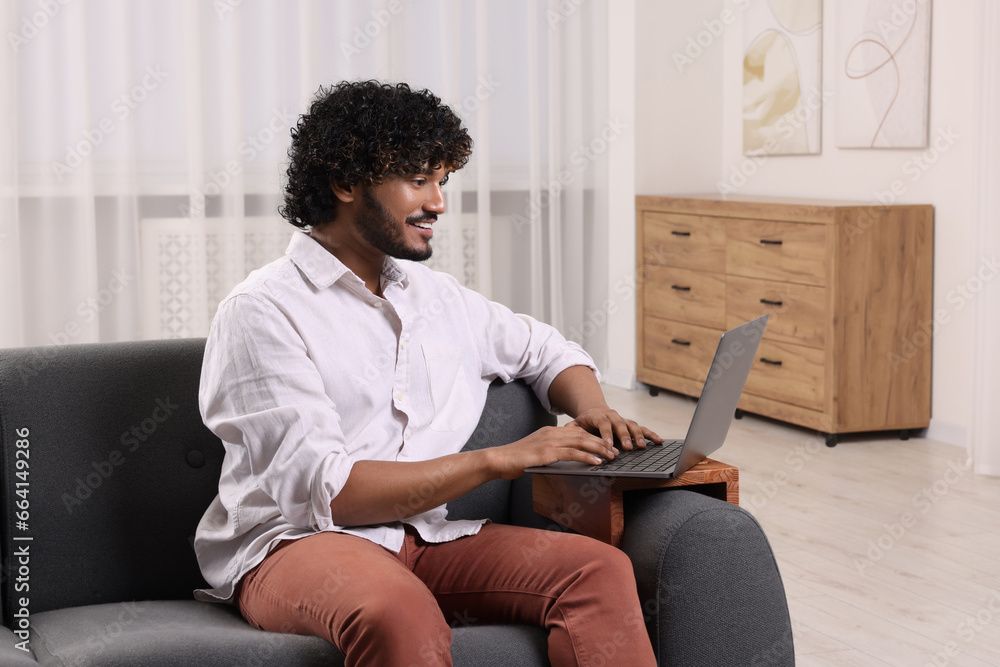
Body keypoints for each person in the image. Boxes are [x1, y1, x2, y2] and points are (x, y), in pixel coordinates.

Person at [194, 80, 660, 666]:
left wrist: (592, 409)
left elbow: (545, 349)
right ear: (344, 184)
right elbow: (328, 495)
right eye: (419, 180)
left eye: (443, 181)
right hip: (297, 545)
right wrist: (498, 459)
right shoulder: (262, 312)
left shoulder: (437, 297)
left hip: (422, 538)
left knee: (598, 571)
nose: (439, 202)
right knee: (396, 609)